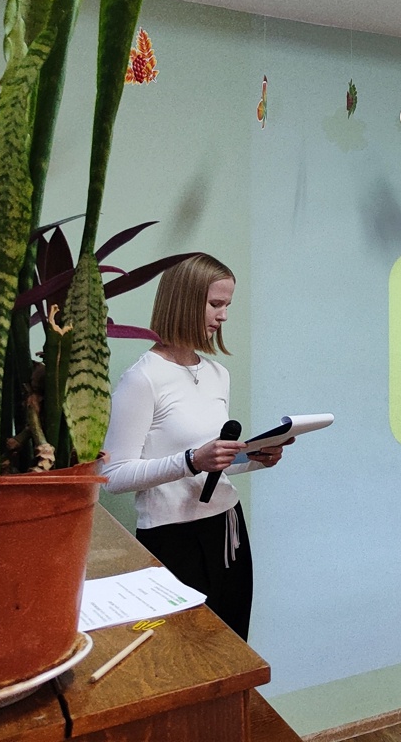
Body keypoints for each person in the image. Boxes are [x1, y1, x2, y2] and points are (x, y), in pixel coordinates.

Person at [102, 253, 289, 639]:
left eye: (227, 305)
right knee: (181, 654)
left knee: (234, 650)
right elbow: (113, 476)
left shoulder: (218, 374)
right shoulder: (142, 379)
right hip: (172, 541)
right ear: (184, 301)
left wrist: (254, 458)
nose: (224, 316)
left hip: (228, 530)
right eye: (215, 304)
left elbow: (213, 464)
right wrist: (190, 461)